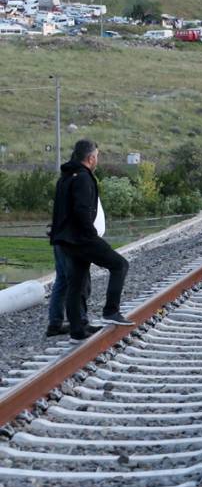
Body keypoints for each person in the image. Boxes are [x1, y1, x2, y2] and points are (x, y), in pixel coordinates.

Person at [50, 139, 132, 341]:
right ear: (90, 158)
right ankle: (111, 311)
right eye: (97, 156)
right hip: (82, 238)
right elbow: (82, 210)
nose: (97, 160)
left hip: (66, 240)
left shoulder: (65, 177)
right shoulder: (84, 178)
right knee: (120, 265)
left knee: (76, 283)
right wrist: (91, 235)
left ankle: (77, 330)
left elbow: (59, 211)